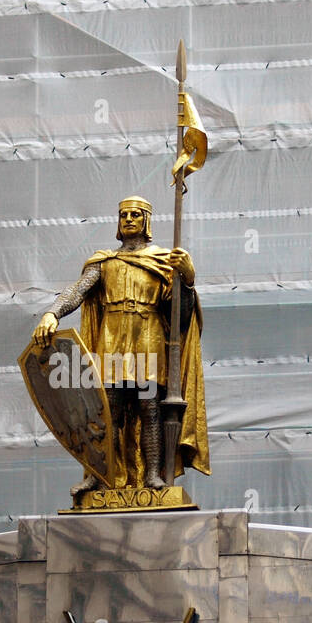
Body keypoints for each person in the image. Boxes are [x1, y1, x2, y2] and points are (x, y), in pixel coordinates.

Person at [33, 195, 210, 493]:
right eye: (124, 215)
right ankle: (99, 475)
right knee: (106, 413)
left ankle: (152, 475)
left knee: (149, 409)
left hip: (148, 339)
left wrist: (188, 280)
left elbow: (179, 318)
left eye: (135, 215)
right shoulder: (105, 262)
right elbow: (77, 291)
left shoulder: (165, 262)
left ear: (146, 221)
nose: (129, 219)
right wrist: (52, 313)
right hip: (111, 343)